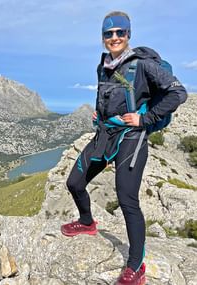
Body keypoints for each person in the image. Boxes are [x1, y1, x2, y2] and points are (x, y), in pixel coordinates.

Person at [60, 11, 187, 285]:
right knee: (74, 182)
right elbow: (105, 95)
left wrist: (146, 119)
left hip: (132, 138)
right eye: (109, 33)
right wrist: (99, 113)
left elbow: (179, 93)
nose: (114, 37)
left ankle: (135, 267)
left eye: (120, 32)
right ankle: (86, 222)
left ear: (128, 34)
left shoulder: (141, 65)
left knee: (127, 200)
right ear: (103, 38)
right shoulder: (102, 65)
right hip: (106, 133)